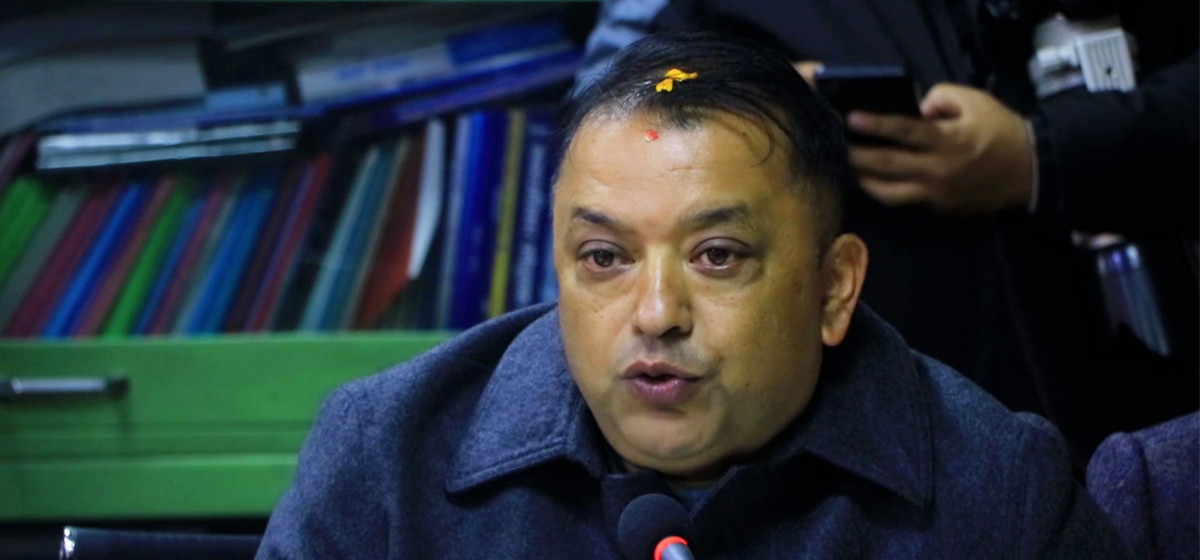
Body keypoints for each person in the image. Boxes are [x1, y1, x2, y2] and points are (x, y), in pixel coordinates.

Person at [256, 33, 1131, 559]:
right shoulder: (386, 458)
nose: (655, 314)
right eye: (604, 257)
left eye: (717, 256)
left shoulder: (999, 489)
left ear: (834, 288)